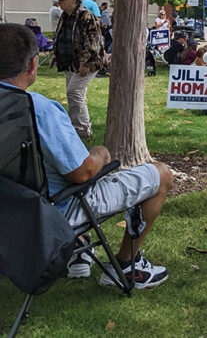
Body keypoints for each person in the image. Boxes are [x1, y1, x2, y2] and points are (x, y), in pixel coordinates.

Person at [0, 23, 172, 288]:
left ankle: (77, 256)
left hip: (8, 211)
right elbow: (82, 173)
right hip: (47, 214)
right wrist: (101, 154)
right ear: (33, 65)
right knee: (160, 175)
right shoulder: (39, 110)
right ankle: (126, 266)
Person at [50, 0, 105, 140]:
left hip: (88, 63)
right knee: (76, 93)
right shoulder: (65, 15)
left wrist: (85, 64)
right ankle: (81, 128)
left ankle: (81, 130)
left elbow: (93, 42)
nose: (59, 2)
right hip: (70, 62)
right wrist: (56, 54)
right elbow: (61, 36)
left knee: (74, 91)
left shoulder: (85, 15)